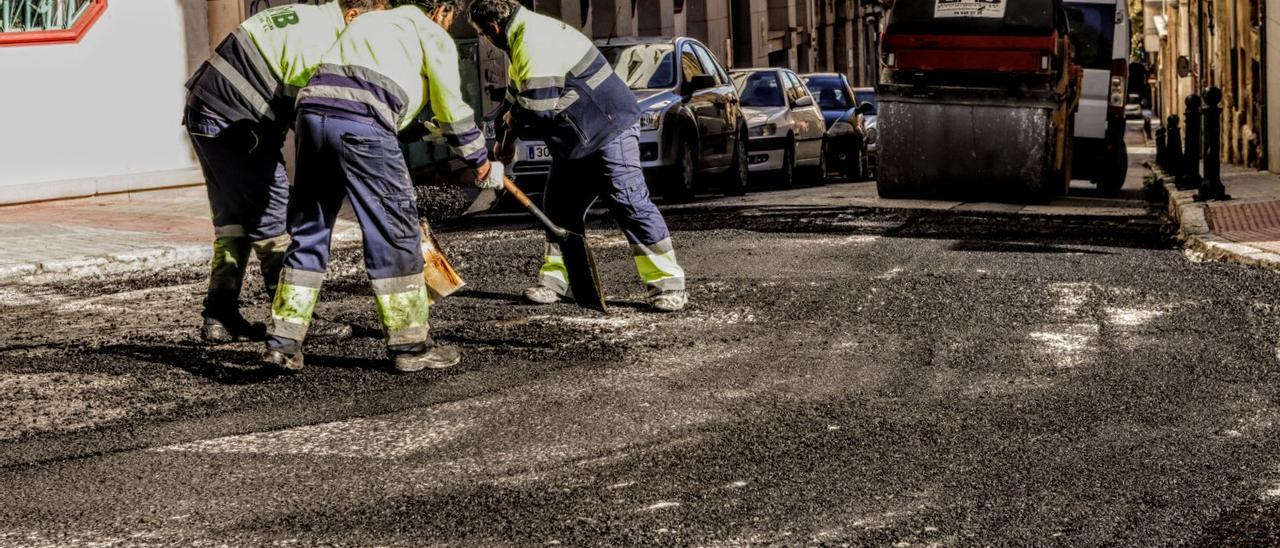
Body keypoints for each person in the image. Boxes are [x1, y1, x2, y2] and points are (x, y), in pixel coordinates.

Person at [262, 0, 500, 373]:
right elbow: (452, 112)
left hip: (312, 115)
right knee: (394, 231)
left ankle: (283, 343)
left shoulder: (369, 22)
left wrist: (413, 128)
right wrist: (480, 159)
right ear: (442, 11)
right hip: (363, 123)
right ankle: (411, 346)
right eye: (450, 19)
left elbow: (359, 87)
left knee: (310, 229)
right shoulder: (431, 33)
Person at [184, 0, 387, 343]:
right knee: (272, 217)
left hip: (207, 113)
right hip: (237, 123)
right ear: (352, 15)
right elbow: (312, 117)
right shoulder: (321, 41)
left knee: (233, 220)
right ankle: (294, 319)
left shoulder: (307, 17)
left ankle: (219, 315)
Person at [468, 0, 689, 313]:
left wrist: (514, 121)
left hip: (608, 128)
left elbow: (538, 108)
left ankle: (669, 285)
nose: (485, 39)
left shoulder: (532, 39)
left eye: (482, 34)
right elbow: (515, 97)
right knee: (558, 209)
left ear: (492, 28)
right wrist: (506, 139)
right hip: (576, 137)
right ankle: (554, 282)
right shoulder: (521, 39)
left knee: (628, 201)